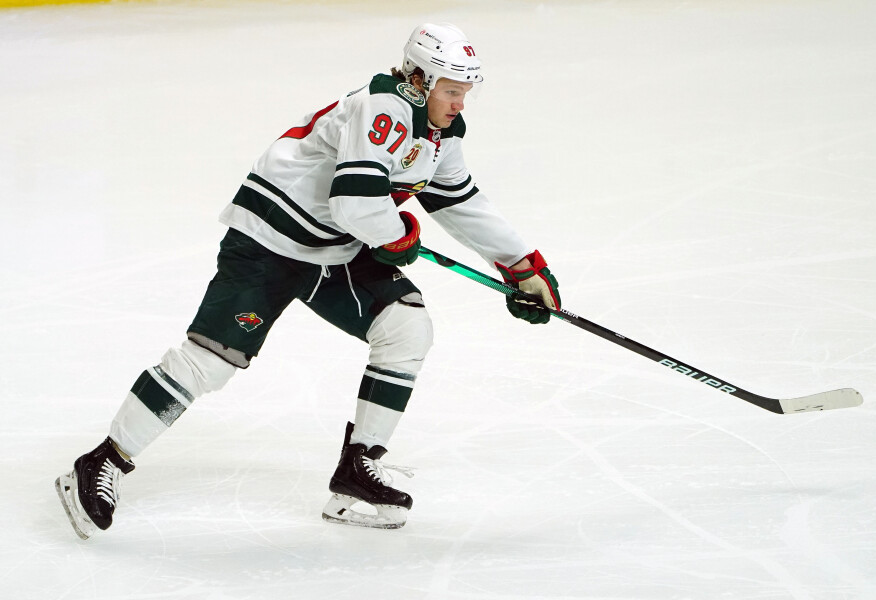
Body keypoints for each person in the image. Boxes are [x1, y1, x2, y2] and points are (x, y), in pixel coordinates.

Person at [55, 22, 561, 537]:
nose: (460, 103)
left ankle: (357, 470)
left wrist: (522, 266)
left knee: (406, 327)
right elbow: (356, 203)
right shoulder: (383, 108)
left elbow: (459, 200)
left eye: (465, 92)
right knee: (212, 361)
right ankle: (103, 461)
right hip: (268, 240)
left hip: (334, 248)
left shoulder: (438, 133)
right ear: (419, 79)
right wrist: (397, 235)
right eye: (451, 90)